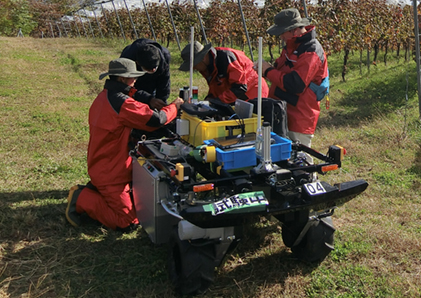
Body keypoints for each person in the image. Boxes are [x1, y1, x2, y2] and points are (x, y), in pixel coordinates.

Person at [65, 58, 183, 231]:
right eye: (132, 77)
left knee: (140, 205)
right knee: (128, 222)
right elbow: (155, 119)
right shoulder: (121, 103)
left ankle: (97, 190)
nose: (135, 80)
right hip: (111, 173)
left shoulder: (105, 97)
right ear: (122, 79)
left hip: (105, 165)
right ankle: (81, 197)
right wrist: (175, 107)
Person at [255, 8, 329, 151]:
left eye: (282, 32)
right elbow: (282, 70)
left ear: (294, 30)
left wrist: (268, 71)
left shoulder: (311, 51)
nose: (280, 37)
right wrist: (266, 68)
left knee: (301, 160)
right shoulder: (291, 46)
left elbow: (295, 84)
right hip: (283, 111)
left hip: (299, 117)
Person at [179, 41, 269, 104]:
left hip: (253, 93)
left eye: (194, 65)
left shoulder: (227, 58)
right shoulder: (207, 66)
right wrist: (208, 100)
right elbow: (216, 86)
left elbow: (239, 89)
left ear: (203, 58)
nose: (194, 68)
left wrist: (215, 102)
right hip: (236, 95)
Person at [120, 38, 171, 110]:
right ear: (138, 63)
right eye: (148, 69)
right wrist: (148, 99)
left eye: (155, 68)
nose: (153, 70)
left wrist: (161, 102)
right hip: (134, 84)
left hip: (153, 83)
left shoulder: (165, 56)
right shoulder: (127, 59)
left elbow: (164, 82)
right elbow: (125, 87)